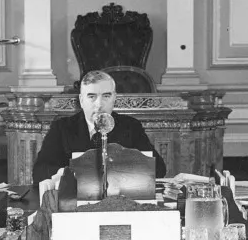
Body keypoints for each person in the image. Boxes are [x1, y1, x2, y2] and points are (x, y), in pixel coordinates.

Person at [32, 70, 166, 186]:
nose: (99, 105)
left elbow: (159, 169)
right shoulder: (62, 128)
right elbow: (40, 172)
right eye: (91, 97)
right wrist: (68, 173)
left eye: (106, 96)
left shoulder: (131, 126)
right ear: (81, 100)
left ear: (114, 98)